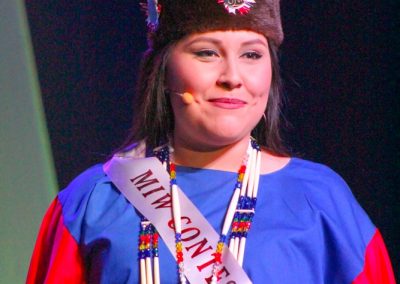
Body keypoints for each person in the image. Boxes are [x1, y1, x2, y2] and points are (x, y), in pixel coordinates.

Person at [27, 0, 395, 283]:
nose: (232, 76)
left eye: (251, 54)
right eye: (206, 52)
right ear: (164, 69)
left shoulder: (322, 200)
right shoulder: (93, 201)